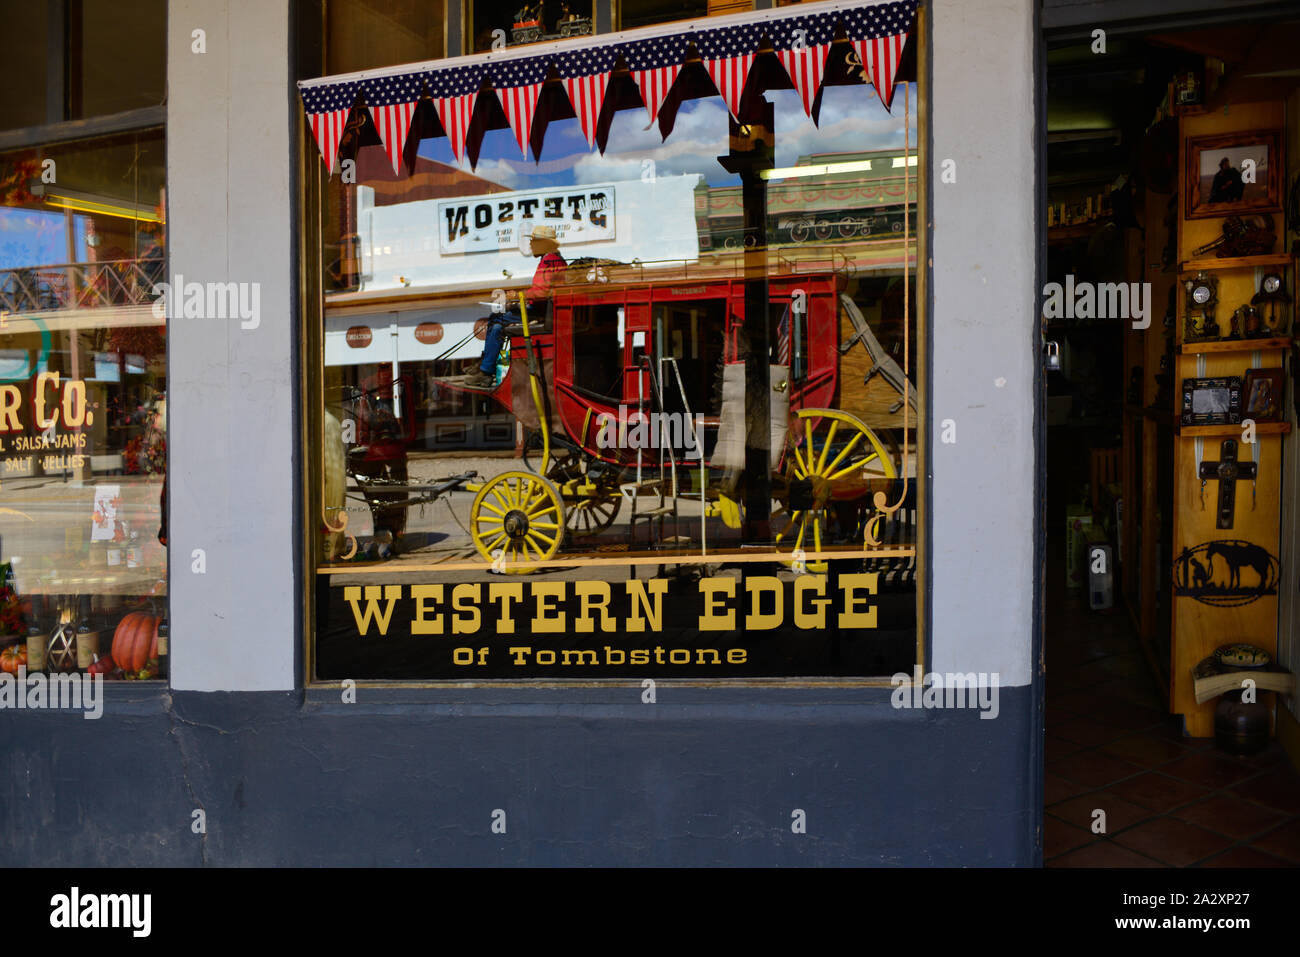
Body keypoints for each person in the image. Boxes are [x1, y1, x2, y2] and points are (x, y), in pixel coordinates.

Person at [463, 225, 566, 390]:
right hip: (543, 310)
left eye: (534, 241)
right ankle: (485, 368)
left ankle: (485, 370)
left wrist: (516, 296)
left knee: (496, 318)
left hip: (540, 313)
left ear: (543, 243)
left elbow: (540, 294)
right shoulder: (556, 260)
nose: (531, 245)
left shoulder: (548, 261)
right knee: (496, 326)